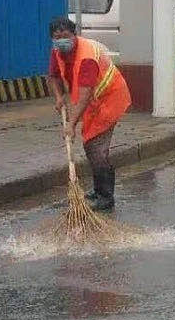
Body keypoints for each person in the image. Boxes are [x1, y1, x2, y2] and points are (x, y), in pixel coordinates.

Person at [47, 16, 131, 211]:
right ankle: (98, 190)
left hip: (110, 99)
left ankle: (105, 196)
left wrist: (71, 125)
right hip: (93, 103)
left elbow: (85, 93)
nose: (61, 40)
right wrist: (59, 98)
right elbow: (53, 77)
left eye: (65, 36)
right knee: (91, 145)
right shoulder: (57, 51)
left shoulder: (86, 56)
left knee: (96, 147)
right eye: (56, 37)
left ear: (74, 35)